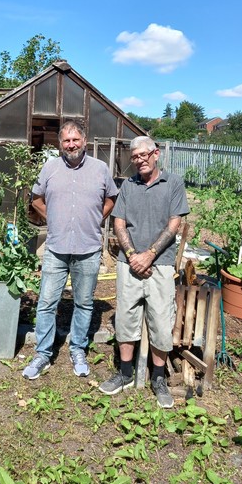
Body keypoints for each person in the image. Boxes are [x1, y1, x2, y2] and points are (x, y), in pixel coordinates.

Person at [22, 119, 118, 380]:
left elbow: (111, 198)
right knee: (46, 302)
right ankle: (42, 353)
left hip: (88, 248)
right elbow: (37, 199)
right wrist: (51, 217)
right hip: (56, 248)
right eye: (66, 140)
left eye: (75, 139)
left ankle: (77, 349)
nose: (71, 144)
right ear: (60, 143)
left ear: (84, 141)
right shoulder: (50, 168)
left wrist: (97, 217)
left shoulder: (100, 169)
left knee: (84, 303)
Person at [99, 135, 189, 408]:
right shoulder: (128, 185)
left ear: (156, 153)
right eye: (134, 157)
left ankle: (158, 377)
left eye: (143, 155)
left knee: (161, 321)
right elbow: (119, 222)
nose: (139, 160)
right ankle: (125, 373)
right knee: (126, 318)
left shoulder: (173, 183)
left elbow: (175, 224)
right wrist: (131, 256)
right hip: (129, 265)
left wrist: (149, 255)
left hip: (160, 265)